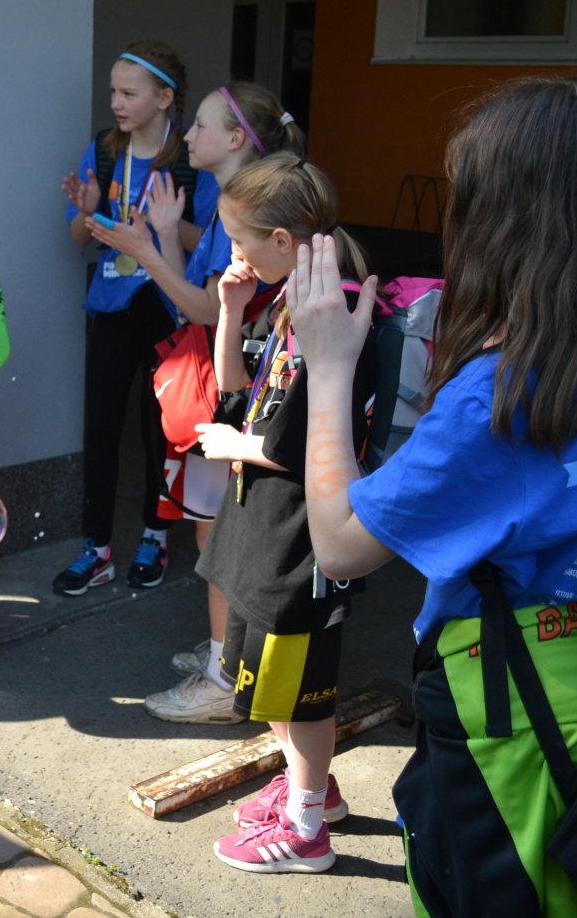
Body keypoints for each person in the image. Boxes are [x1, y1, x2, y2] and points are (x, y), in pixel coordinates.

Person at [292, 76, 577, 913]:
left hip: (511, 711)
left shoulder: (502, 397)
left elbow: (339, 544)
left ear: (509, 222)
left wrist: (329, 367)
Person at [188, 154, 377, 874]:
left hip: (303, 539)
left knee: (301, 694)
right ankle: (314, 789)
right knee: (271, 685)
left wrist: (236, 443)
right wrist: (231, 311)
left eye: (239, 240)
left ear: (280, 239)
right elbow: (237, 393)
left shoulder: (333, 312)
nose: (232, 253)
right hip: (262, 531)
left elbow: (305, 442)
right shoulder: (285, 299)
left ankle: (305, 831)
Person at [119, 83, 308, 725]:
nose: (188, 135)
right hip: (226, 384)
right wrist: (165, 236)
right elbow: (202, 296)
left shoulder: (249, 211)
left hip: (235, 393)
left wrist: (147, 254)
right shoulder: (232, 204)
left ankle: (225, 675)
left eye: (199, 125)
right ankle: (227, 656)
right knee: (216, 528)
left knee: (220, 532)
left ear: (235, 140)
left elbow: (203, 306)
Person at [56, 40, 207, 596]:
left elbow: (208, 240)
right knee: (101, 426)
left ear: (164, 99)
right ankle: (95, 547)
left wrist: (164, 226)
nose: (116, 103)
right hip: (113, 303)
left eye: (129, 93)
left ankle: (155, 535)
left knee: (160, 430)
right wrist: (89, 211)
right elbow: (80, 237)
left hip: (168, 306)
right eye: (113, 92)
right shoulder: (102, 150)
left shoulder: (191, 157)